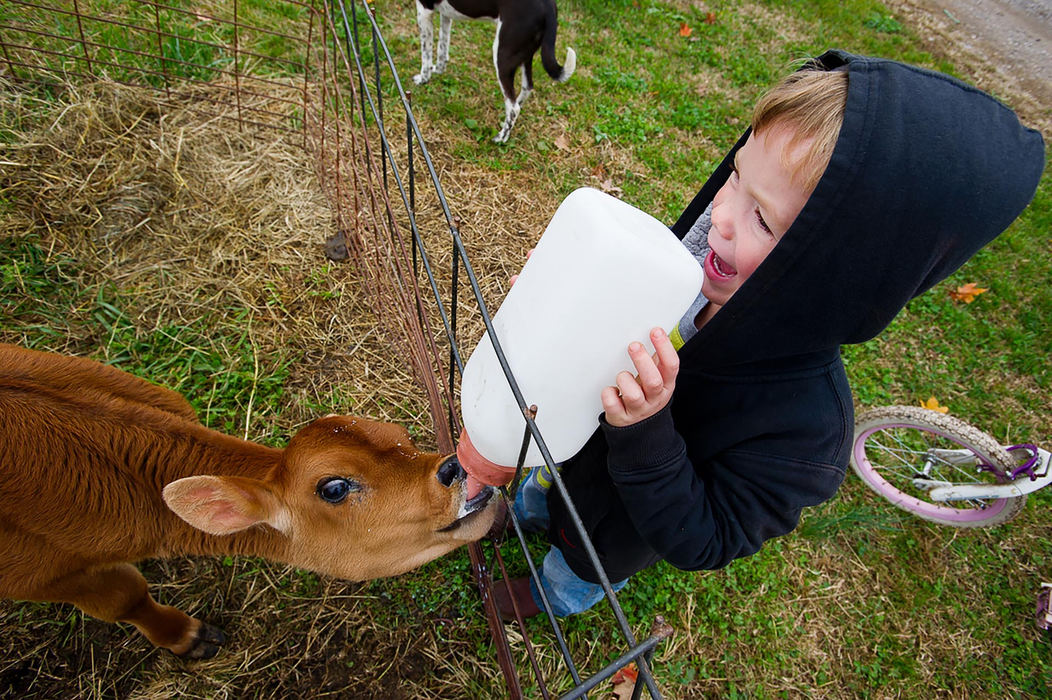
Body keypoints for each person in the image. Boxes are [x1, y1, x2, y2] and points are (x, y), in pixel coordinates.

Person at [492, 49, 1045, 620]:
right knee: (543, 493)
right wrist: (568, 284)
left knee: (583, 560)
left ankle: (553, 592)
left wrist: (646, 431)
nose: (722, 216)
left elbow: (705, 537)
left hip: (617, 533)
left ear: (835, 278)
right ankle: (534, 511)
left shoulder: (805, 434)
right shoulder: (683, 268)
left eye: (763, 218)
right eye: (734, 177)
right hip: (568, 452)